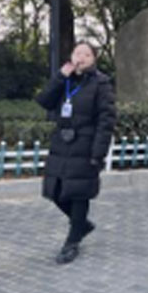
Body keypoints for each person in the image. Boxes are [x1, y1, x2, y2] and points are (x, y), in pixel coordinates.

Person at [35, 41, 116, 265]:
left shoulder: (101, 83)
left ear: (94, 59)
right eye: (77, 52)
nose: (81, 57)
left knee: (79, 193)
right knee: (55, 191)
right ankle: (82, 225)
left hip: (85, 144)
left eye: (86, 54)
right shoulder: (65, 80)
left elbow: (106, 120)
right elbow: (44, 101)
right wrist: (60, 77)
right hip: (62, 143)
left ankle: (72, 242)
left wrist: (98, 153)